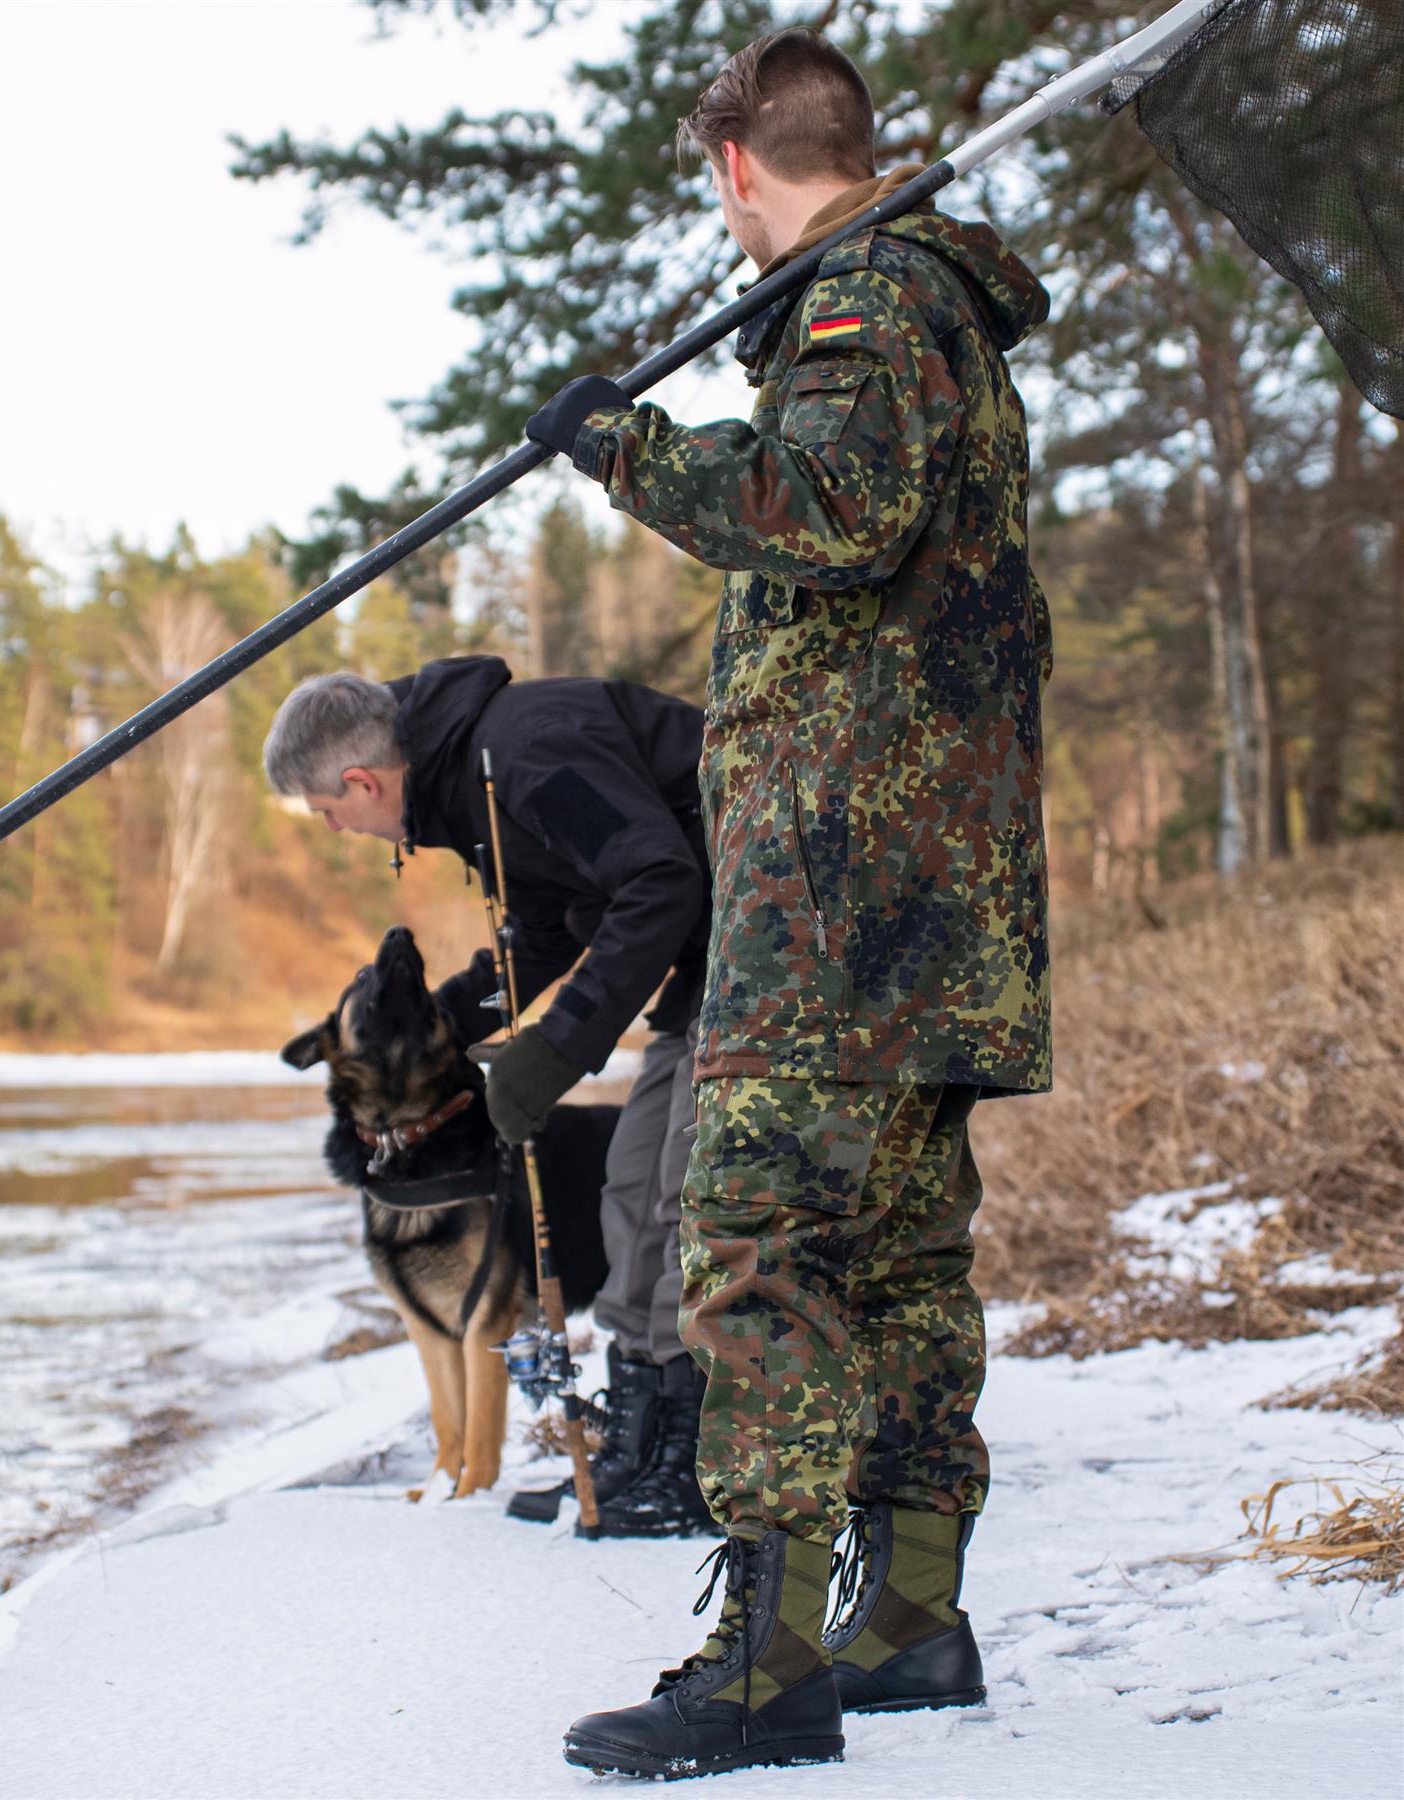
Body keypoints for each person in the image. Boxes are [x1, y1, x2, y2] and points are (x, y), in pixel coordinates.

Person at [522, 28, 1053, 1780]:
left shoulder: (866, 301)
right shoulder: (924, 307)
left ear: (742, 164)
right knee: (898, 1261)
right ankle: (907, 1622)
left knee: (761, 1255)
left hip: (839, 908)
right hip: (927, 908)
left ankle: (768, 1665)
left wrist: (626, 448)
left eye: (715, 182)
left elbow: (827, 504)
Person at [262, 655, 718, 1537]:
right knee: (630, 1187)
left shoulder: (526, 753)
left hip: (785, 935)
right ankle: (639, 1445)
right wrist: (432, 1026)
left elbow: (662, 880)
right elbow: (543, 930)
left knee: (679, 1200)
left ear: (361, 782)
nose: (332, 829)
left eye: (328, 813)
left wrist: (555, 1045)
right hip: (714, 961)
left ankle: (691, 1460)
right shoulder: (469, 786)